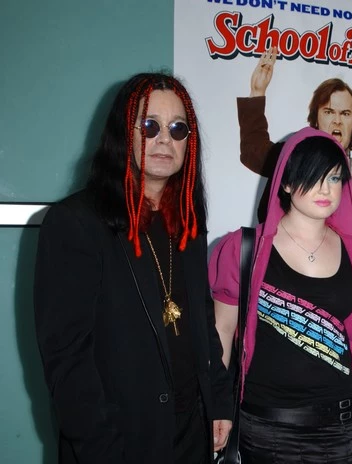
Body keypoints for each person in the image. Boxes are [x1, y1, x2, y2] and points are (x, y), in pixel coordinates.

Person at [33, 73, 233, 464]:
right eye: (149, 125)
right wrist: (101, 448)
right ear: (123, 132)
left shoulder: (187, 221)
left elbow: (201, 320)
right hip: (119, 441)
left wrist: (219, 401)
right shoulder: (76, 222)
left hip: (191, 432)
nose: (164, 139)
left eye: (178, 128)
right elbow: (67, 360)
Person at [209, 126, 352, 463]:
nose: (325, 189)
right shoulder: (244, 248)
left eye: (334, 178)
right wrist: (217, 408)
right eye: (313, 177)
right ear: (286, 183)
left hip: (344, 429)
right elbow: (222, 331)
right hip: (268, 430)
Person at [237, 47, 352, 230]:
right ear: (316, 119)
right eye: (329, 111)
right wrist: (257, 91)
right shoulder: (291, 156)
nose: (337, 121)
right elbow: (253, 151)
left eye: (345, 113)